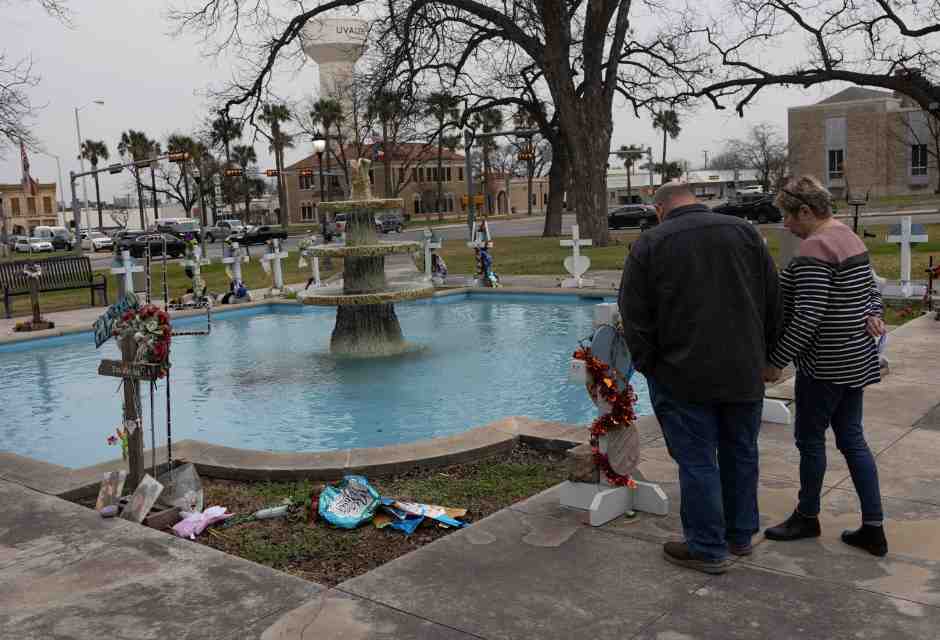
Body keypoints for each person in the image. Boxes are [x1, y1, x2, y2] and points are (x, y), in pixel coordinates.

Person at [619, 181, 781, 574]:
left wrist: (649, 365)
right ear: (697, 201)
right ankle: (740, 536)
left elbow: (634, 315)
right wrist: (771, 356)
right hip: (743, 369)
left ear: (660, 209)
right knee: (741, 452)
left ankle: (708, 548)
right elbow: (774, 297)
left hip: (682, 375)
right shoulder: (745, 232)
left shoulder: (650, 244)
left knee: (697, 462)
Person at [763, 176, 888, 556]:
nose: (786, 225)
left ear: (805, 210)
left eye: (788, 216)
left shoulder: (816, 248)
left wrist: (776, 361)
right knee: (852, 439)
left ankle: (807, 516)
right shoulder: (850, 238)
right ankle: (873, 528)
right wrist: (874, 314)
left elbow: (807, 317)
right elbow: (871, 292)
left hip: (825, 368)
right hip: (855, 361)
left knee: (810, 441)